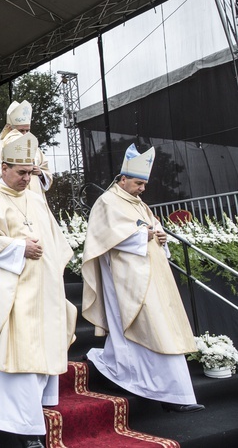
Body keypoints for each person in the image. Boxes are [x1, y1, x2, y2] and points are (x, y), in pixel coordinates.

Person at [0, 132, 76, 448]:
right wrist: (18, 246)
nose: (27, 178)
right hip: (9, 290)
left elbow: (57, 244)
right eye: (21, 172)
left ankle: (33, 411)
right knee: (14, 354)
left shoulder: (36, 199)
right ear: (4, 167)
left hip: (42, 291)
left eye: (30, 172)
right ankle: (22, 427)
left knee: (39, 348)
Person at [81, 144, 204, 414]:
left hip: (152, 277)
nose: (142, 188)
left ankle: (159, 386)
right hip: (126, 279)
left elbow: (153, 228)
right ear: (122, 179)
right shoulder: (107, 202)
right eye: (138, 183)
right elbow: (103, 237)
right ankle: (165, 391)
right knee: (149, 327)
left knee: (160, 327)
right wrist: (142, 236)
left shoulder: (140, 204)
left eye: (144, 183)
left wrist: (160, 237)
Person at [0, 100, 52, 200]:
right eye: (21, 130)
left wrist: (41, 173)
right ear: (10, 128)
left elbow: (46, 172)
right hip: (8, 198)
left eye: (27, 130)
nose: (24, 134)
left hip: (34, 197)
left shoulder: (32, 145)